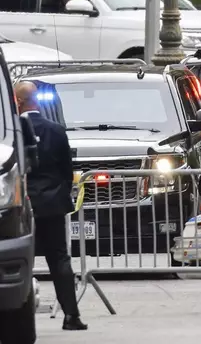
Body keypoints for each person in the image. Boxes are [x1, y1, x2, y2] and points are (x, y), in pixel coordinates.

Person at [14, 81, 88, 330]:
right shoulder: (56, 130)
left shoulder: (12, 132)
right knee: (59, 259)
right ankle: (71, 315)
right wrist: (60, 194)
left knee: (17, 259)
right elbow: (67, 170)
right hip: (52, 204)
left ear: (17, 101)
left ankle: (15, 315)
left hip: (21, 205)